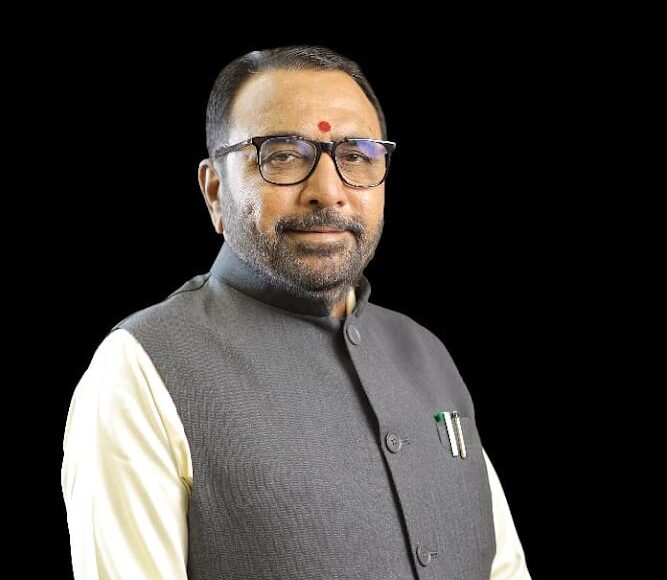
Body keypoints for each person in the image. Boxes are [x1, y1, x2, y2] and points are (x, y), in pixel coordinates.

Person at [61, 45, 531, 579]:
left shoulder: (428, 355)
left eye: (356, 155)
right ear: (215, 191)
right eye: (282, 155)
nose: (328, 192)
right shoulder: (140, 368)